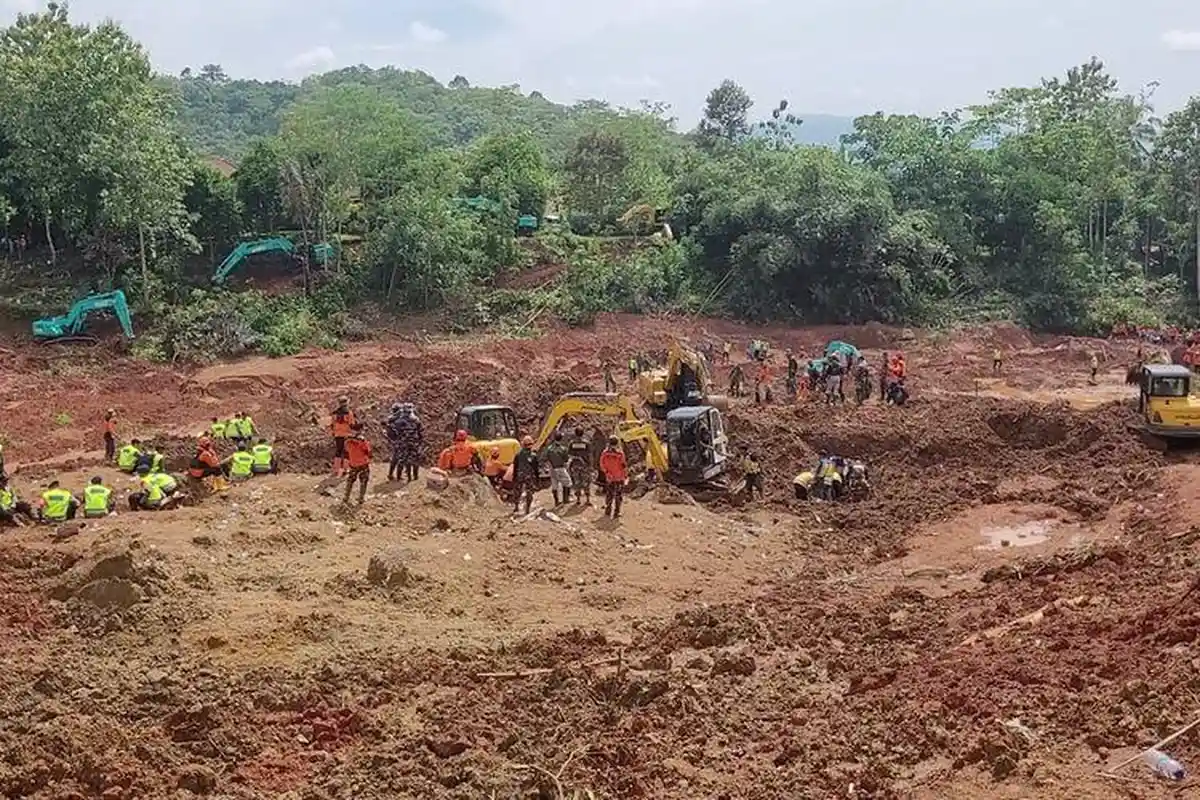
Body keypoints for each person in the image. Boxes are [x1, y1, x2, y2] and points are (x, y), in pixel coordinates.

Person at [392, 404, 424, 482]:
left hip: (403, 443)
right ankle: (415, 476)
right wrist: (420, 441)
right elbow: (420, 432)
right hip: (414, 442)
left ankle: (399, 477)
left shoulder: (399, 421)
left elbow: (396, 432)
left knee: (402, 460)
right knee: (415, 459)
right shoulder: (416, 420)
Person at [343, 423, 372, 505]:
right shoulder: (362, 440)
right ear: (359, 430)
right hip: (363, 463)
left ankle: (346, 497)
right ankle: (361, 498)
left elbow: (346, 451)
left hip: (353, 463)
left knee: (350, 480)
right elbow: (368, 452)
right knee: (364, 480)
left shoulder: (347, 440)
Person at [599, 437, 627, 519]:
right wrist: (625, 475)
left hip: (609, 477)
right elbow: (623, 465)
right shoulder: (620, 454)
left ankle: (608, 510)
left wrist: (607, 472)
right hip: (619, 477)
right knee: (618, 495)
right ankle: (617, 512)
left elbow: (601, 464)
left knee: (609, 494)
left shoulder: (605, 453)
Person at [543, 431, 572, 506]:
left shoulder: (549, 448)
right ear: (561, 439)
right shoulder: (563, 449)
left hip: (552, 469)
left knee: (554, 485)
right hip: (561, 468)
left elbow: (545, 458)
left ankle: (556, 502)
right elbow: (566, 460)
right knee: (568, 483)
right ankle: (566, 499)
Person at [511, 436, 539, 515]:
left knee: (517, 491)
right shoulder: (534, 455)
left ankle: (516, 507)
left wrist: (514, 477)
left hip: (519, 475)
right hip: (529, 476)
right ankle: (527, 509)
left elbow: (515, 466)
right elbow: (536, 469)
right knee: (529, 492)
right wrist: (537, 479)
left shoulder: (518, 455)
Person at [330, 396, 356, 477]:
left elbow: (332, 424)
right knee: (346, 452)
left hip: (337, 434)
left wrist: (333, 432)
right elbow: (352, 424)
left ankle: (336, 469)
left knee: (338, 451)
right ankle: (345, 469)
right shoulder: (349, 413)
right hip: (347, 434)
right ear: (346, 403)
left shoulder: (334, 413)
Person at [567, 426, 592, 505]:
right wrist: (591, 465)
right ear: (583, 433)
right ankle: (587, 500)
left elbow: (569, 455)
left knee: (577, 482)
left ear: (575, 433)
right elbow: (590, 455)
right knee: (586, 482)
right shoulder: (586, 443)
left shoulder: (572, 443)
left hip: (575, 466)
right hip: (585, 466)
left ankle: (578, 500)